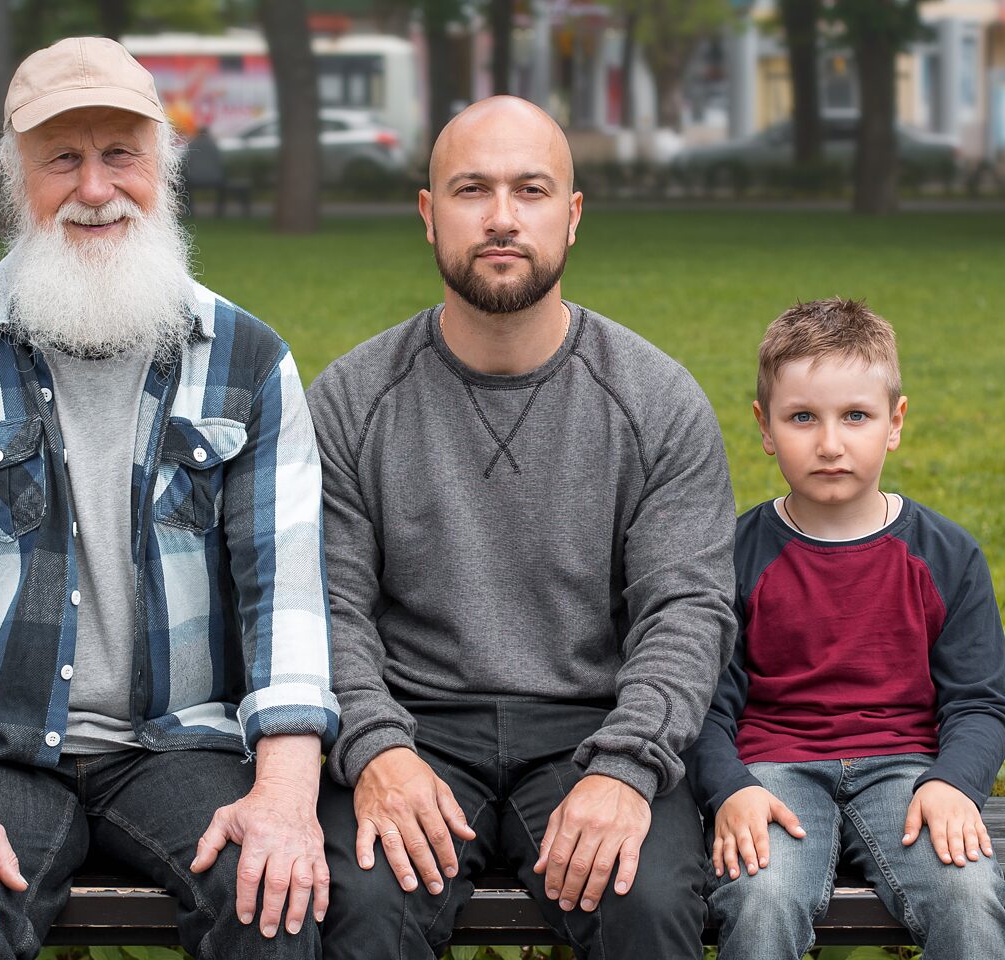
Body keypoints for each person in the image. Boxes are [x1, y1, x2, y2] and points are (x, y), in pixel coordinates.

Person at [0, 37, 337, 960]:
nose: (95, 187)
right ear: (15, 179)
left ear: (165, 167)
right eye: (61, 160)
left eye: (121, 155)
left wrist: (281, 795)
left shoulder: (248, 358)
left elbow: (288, 595)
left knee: (274, 903)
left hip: (184, 747)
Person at [306, 95, 737, 958]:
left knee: (644, 900)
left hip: (590, 725)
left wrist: (627, 767)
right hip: (414, 723)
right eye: (472, 190)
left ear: (572, 218)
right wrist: (374, 749)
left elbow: (687, 612)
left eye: (531, 191)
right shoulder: (351, 402)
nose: (502, 218)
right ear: (430, 217)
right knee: (359, 901)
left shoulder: (656, 402)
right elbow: (324, 608)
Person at [686, 297, 1005, 959]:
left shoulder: (946, 556)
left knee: (969, 898)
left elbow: (979, 702)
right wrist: (730, 789)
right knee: (760, 899)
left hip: (909, 775)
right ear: (765, 425)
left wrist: (953, 783)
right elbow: (702, 705)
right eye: (803, 417)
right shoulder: (735, 557)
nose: (830, 443)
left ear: (895, 423)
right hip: (773, 773)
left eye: (856, 417)